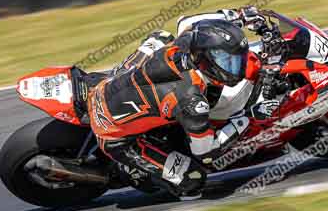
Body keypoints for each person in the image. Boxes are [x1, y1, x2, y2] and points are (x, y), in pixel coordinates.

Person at [86, 12, 270, 198]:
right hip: (112, 134)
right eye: (228, 61)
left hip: (108, 84)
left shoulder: (187, 43)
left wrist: (237, 16)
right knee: (193, 179)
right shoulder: (191, 101)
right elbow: (206, 153)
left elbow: (187, 21)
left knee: (162, 37)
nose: (236, 67)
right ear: (208, 60)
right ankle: (130, 170)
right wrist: (248, 118)